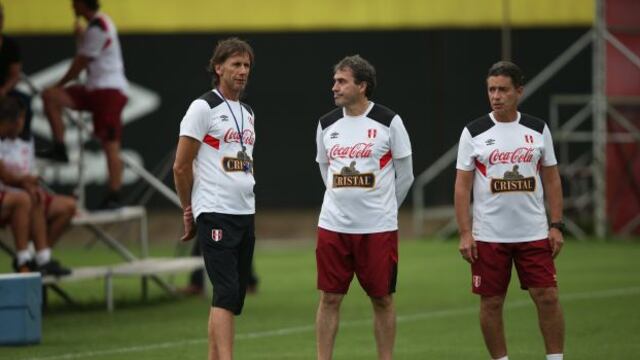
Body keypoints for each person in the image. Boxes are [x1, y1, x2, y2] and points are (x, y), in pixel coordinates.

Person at [454, 61, 565, 360]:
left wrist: (556, 224)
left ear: (519, 91)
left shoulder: (538, 129)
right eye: (491, 89)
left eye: (503, 89)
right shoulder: (474, 132)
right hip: (489, 235)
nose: (496, 96)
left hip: (533, 232)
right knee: (491, 303)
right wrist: (465, 233)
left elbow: (552, 178)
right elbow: (462, 187)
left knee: (548, 297)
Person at [315, 55, 414, 360]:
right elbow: (325, 170)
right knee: (329, 298)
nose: (335, 87)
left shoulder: (389, 122)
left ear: (362, 85)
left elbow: (406, 174)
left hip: (378, 229)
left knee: (382, 298)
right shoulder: (326, 124)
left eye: (342, 81)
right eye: (335, 80)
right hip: (333, 226)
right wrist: (341, 201)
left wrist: (384, 209)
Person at [173, 37, 256, 360]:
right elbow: (181, 165)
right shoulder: (202, 107)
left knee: (230, 297)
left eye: (247, 65)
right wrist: (188, 208)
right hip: (215, 210)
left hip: (244, 211)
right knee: (224, 291)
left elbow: (243, 161)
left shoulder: (247, 112)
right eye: (236, 64)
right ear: (218, 67)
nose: (242, 71)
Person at [39, 0, 128, 209]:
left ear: (82, 3)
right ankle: (59, 147)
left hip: (109, 93)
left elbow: (81, 63)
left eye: (74, 3)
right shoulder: (94, 27)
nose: (71, 7)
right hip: (93, 90)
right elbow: (88, 55)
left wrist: (60, 83)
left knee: (110, 144)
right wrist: (81, 38)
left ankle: (114, 193)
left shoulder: (99, 27)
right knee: (50, 97)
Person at [0, 96, 72, 276]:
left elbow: (23, 174)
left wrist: (31, 183)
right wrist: (28, 183)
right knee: (25, 199)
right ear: (13, 120)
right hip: (9, 194)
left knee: (65, 205)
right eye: (21, 118)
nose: (23, 123)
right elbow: (6, 177)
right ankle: (24, 260)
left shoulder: (26, 140)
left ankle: (41, 257)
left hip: (18, 193)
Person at [0, 1, 33, 142]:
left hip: (4, 90)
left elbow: (15, 75)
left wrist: (3, 90)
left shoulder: (11, 45)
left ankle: (21, 142)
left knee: (24, 100)